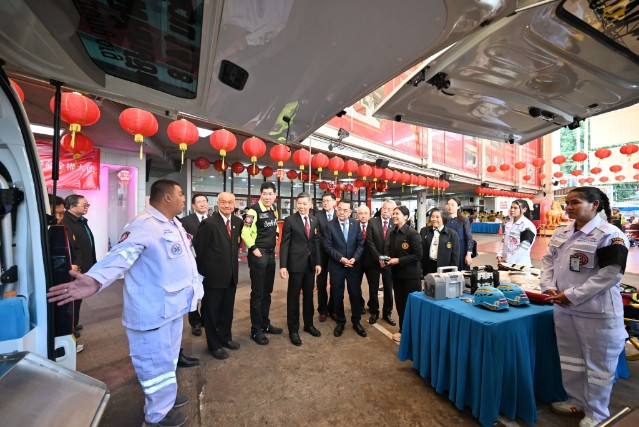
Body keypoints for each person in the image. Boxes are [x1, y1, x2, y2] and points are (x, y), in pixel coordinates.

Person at [47, 179, 203, 427]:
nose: (185, 198)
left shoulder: (173, 223)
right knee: (154, 366)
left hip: (171, 308)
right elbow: (121, 255)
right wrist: (96, 279)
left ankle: (166, 398)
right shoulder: (144, 225)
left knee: (168, 360)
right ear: (167, 197)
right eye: (181, 194)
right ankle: (156, 416)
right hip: (152, 311)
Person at [540, 187, 629, 427]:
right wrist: (548, 285)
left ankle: (597, 413)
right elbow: (548, 260)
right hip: (564, 309)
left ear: (595, 205)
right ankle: (576, 401)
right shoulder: (561, 232)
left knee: (599, 365)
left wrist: (572, 295)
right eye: (567, 203)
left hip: (596, 313)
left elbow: (611, 274)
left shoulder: (610, 235)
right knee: (571, 359)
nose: (568, 207)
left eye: (575, 202)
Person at [193, 192, 243, 360]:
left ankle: (225, 338)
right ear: (218, 204)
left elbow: (235, 247)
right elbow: (199, 251)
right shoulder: (209, 224)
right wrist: (202, 276)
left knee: (227, 311)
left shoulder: (238, 222)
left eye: (230, 202)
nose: (227, 205)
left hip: (231, 276)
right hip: (213, 278)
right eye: (223, 202)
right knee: (211, 313)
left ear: (234, 204)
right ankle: (214, 345)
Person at [242, 181, 282, 345]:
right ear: (260, 194)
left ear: (275, 195)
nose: (267, 197)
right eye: (264, 194)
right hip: (259, 256)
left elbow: (276, 227)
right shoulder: (253, 211)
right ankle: (256, 330)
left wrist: (276, 238)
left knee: (267, 292)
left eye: (270, 194)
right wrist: (254, 249)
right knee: (258, 294)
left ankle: (265, 324)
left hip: (271, 256)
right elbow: (245, 232)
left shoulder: (273, 209)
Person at [279, 192, 322, 346]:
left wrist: (318, 262)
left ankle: (309, 324)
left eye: (304, 203)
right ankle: (293, 330)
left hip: (310, 265)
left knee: (309, 296)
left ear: (310, 204)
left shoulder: (314, 220)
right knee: (293, 298)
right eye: (299, 203)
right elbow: (285, 243)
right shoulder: (290, 220)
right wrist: (283, 265)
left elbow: (316, 242)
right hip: (295, 264)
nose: (301, 206)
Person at [324, 200, 366, 338]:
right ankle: (340, 322)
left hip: (353, 266)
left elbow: (360, 244)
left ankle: (356, 322)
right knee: (338, 295)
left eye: (345, 210)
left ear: (350, 212)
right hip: (337, 266)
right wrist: (341, 259)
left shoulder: (356, 224)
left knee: (355, 294)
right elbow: (327, 246)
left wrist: (354, 258)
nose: (341, 212)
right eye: (340, 209)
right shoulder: (330, 225)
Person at [384, 205, 423, 343]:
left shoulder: (412, 234)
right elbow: (390, 251)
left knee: (411, 307)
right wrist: (386, 259)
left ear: (406, 217)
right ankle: (403, 331)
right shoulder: (393, 233)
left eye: (397, 214)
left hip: (411, 277)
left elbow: (418, 255)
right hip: (397, 276)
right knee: (400, 306)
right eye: (393, 213)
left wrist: (398, 260)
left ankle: (414, 335)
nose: (394, 216)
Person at [62, 194, 96, 339]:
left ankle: (74, 323)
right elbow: (72, 247)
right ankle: (70, 327)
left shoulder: (80, 220)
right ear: (72, 207)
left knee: (78, 297)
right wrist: (78, 265)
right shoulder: (66, 222)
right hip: (77, 268)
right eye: (84, 205)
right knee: (73, 298)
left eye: (88, 205)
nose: (87, 207)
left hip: (84, 265)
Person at [179, 193, 209, 337]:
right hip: (192, 263)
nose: (202, 204)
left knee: (208, 293)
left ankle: (205, 319)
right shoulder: (185, 221)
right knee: (193, 294)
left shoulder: (214, 220)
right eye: (199, 202)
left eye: (204, 201)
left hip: (209, 263)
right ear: (193, 205)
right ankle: (195, 322)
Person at [364, 199, 397, 326]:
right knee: (373, 288)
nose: (385, 211)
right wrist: (378, 257)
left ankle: (387, 313)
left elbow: (395, 244)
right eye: (384, 208)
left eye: (389, 209)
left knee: (388, 288)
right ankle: (374, 312)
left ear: (393, 211)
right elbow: (369, 242)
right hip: (373, 261)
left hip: (389, 261)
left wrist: (386, 259)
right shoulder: (372, 222)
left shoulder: (395, 223)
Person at [315, 192, 337, 322]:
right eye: (323, 201)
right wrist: (327, 245)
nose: (325, 203)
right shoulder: (317, 216)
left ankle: (333, 308)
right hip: (322, 254)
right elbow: (317, 236)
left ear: (334, 202)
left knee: (335, 282)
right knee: (321, 283)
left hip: (336, 255)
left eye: (328, 200)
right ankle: (322, 310)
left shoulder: (339, 214)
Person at [497, 199, 536, 267]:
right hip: (506, 263)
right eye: (511, 207)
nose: (512, 210)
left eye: (515, 208)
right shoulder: (509, 224)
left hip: (520, 264)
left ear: (524, 209)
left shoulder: (527, 225)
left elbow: (524, 248)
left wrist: (509, 261)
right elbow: (503, 241)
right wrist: (500, 254)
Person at [420, 208, 460, 276]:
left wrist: (453, 272)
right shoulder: (424, 231)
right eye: (432, 216)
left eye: (437, 217)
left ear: (443, 218)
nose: (434, 219)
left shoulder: (452, 234)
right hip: (427, 266)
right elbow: (420, 250)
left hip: (444, 268)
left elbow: (455, 256)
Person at [445, 197, 473, 271]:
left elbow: (469, 238)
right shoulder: (444, 220)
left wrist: (468, 254)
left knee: (461, 271)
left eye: (452, 205)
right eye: (448, 204)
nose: (450, 207)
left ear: (458, 207)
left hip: (461, 249)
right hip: (446, 248)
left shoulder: (464, 220)